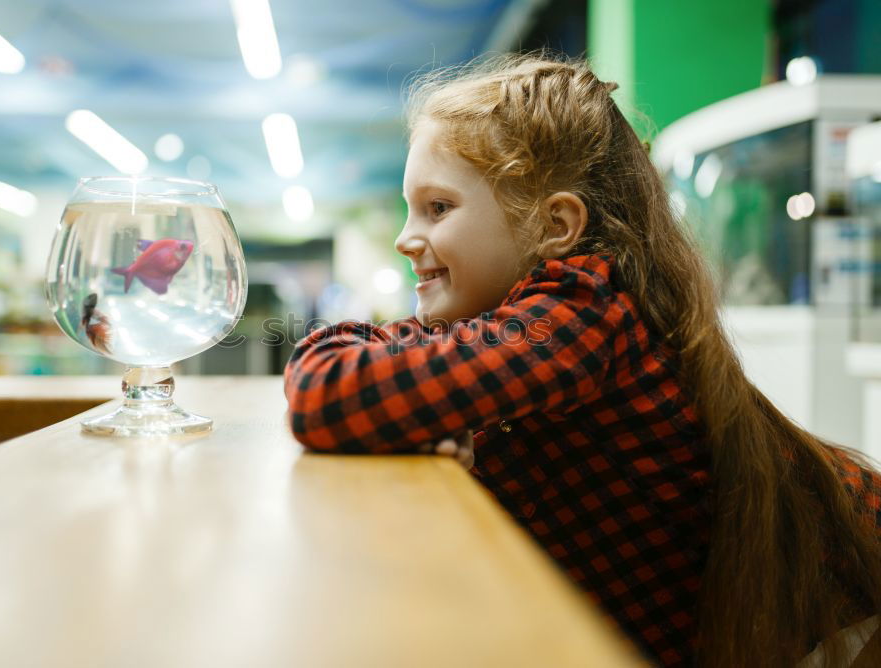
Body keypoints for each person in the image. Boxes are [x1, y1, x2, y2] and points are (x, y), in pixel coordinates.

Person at [282, 52, 881, 667]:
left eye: (438, 208)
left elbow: (326, 391)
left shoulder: (585, 310)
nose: (407, 239)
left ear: (555, 225)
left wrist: (414, 400)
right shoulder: (504, 324)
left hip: (851, 614)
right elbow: (371, 372)